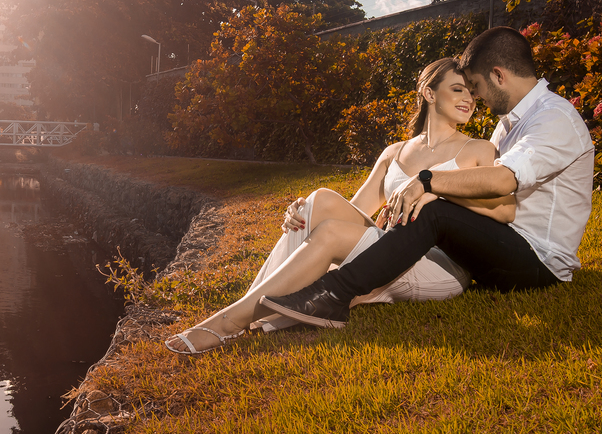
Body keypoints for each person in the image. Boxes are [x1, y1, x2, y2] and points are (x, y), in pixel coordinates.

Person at [165, 56, 516, 354]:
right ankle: (255, 310)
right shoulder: (395, 152)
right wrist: (303, 211)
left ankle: (234, 319)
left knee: (329, 231)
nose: (469, 99)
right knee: (316, 203)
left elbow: (504, 212)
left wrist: (435, 191)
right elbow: (353, 208)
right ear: (428, 92)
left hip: (439, 266)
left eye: (471, 92)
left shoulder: (478, 150)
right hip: (389, 254)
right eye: (458, 89)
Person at [259, 26, 595, 329]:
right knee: (427, 206)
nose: (476, 98)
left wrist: (428, 181)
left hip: (538, 261)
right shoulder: (509, 124)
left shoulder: (552, 118)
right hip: (498, 243)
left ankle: (333, 293)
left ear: (498, 76)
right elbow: (481, 194)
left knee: (435, 209)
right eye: (465, 89)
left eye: (476, 87)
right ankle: (271, 297)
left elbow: (503, 182)